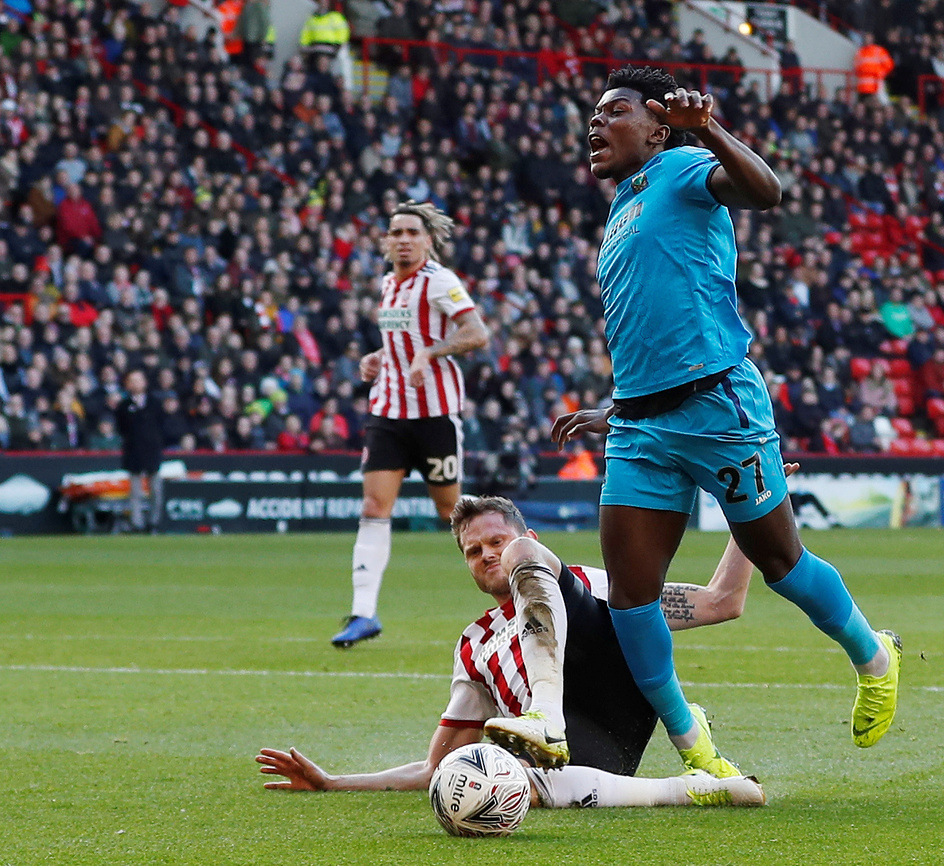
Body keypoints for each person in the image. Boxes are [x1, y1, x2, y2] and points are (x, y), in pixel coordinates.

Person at [543, 67, 901, 780]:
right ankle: (697, 754)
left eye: (615, 111)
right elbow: (652, 325)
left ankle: (873, 656)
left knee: (781, 567)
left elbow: (767, 193)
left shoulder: (682, 168)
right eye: (593, 114)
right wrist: (612, 409)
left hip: (718, 408)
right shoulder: (621, 208)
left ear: (657, 127)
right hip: (640, 425)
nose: (595, 123)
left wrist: (706, 129)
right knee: (632, 597)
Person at [256, 495, 766, 808]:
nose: (487, 555)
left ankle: (549, 713)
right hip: (578, 760)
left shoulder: (588, 582)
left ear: (530, 537)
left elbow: (722, 601)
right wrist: (334, 783)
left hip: (613, 693)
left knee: (561, 580)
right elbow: (439, 766)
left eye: (496, 541)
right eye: (473, 552)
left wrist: (752, 517)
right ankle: (695, 790)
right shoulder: (473, 645)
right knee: (504, 780)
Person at [331, 201, 490, 648]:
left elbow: (477, 333)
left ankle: (520, 571)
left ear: (427, 240)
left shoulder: (439, 281)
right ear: (386, 241)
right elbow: (404, 340)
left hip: (434, 414)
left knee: (452, 512)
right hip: (388, 412)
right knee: (373, 507)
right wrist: (379, 357)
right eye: (396, 232)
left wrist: (430, 354)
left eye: (412, 232)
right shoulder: (388, 284)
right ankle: (364, 613)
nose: (403, 239)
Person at [114, 369, 164, 533]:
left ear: (145, 382)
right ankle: (137, 524)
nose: (135, 384)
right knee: (135, 492)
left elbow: (161, 425)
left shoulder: (155, 403)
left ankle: (154, 523)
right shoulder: (124, 406)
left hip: (152, 452)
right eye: (132, 381)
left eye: (138, 380)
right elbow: (122, 428)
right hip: (133, 452)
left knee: (156, 490)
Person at [853, 33, 893, 104]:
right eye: (866, 38)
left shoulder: (878, 51)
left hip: (876, 84)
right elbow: (856, 67)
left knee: (880, 103)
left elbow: (889, 65)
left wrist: (881, 73)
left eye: (869, 38)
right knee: (863, 105)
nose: (867, 40)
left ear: (872, 39)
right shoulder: (860, 52)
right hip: (862, 87)